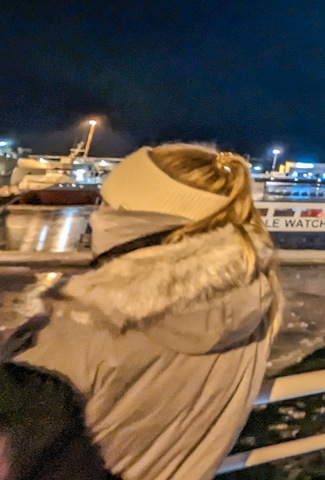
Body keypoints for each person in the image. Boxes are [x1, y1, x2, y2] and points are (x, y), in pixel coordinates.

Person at [0, 145, 282, 480]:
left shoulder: (86, 324)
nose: (97, 215)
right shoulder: (256, 296)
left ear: (131, 217)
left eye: (107, 203)